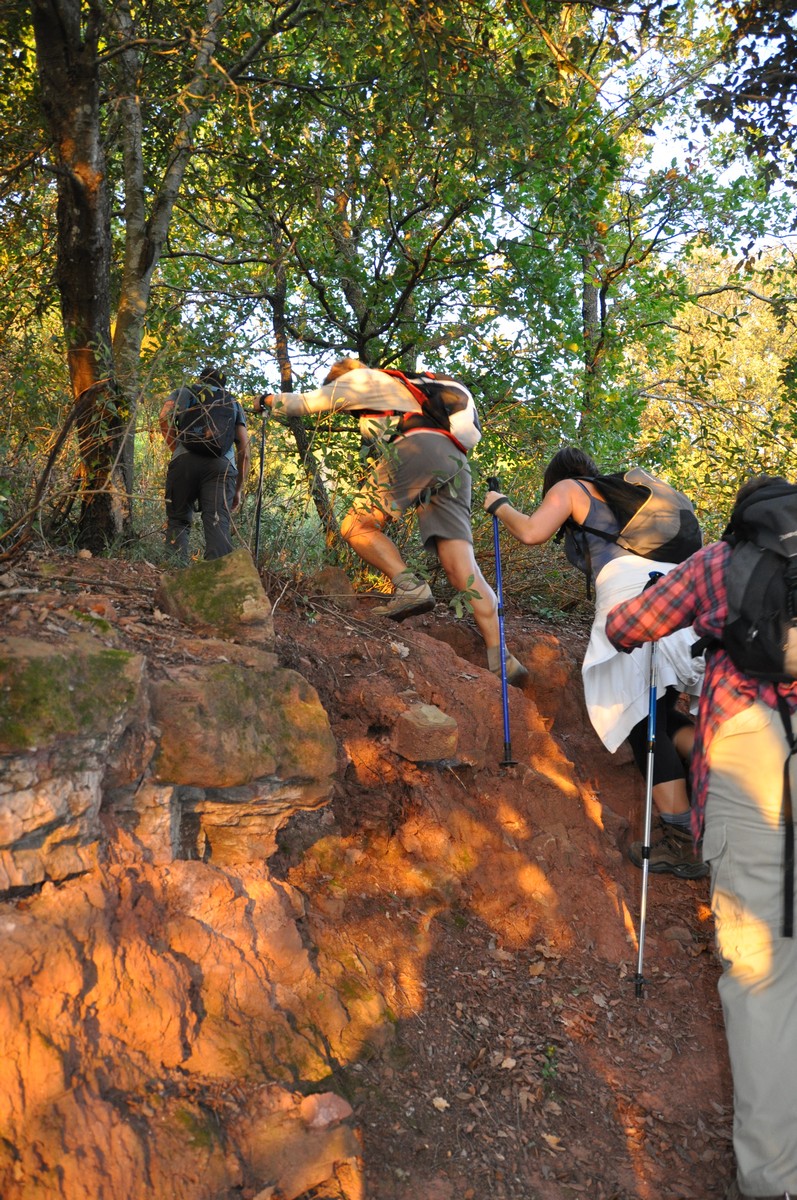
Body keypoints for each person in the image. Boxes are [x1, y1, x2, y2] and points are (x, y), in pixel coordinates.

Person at [605, 475, 797, 1200]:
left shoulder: (719, 562)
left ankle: (773, 1180)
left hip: (752, 752)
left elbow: (626, 628)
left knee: (764, 978)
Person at [484, 445, 706, 878]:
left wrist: (500, 505)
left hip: (633, 604)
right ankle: (724, 769)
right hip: (681, 601)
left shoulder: (571, 489)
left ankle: (682, 842)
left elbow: (531, 532)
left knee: (643, 723)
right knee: (660, 711)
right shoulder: (626, 501)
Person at [256, 358, 528, 685]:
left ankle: (411, 587)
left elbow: (301, 403)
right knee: (462, 570)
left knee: (355, 525)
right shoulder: (404, 386)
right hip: (455, 462)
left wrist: (264, 400)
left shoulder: (360, 380)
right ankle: (501, 657)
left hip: (418, 448)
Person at [159, 365, 250, 565]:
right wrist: (238, 489)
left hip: (184, 462)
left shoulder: (185, 392)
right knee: (217, 521)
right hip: (221, 467)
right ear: (223, 385)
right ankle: (217, 577)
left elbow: (164, 417)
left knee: (178, 519)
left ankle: (174, 572)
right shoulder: (232, 402)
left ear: (200, 380)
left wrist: (176, 449)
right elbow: (244, 449)